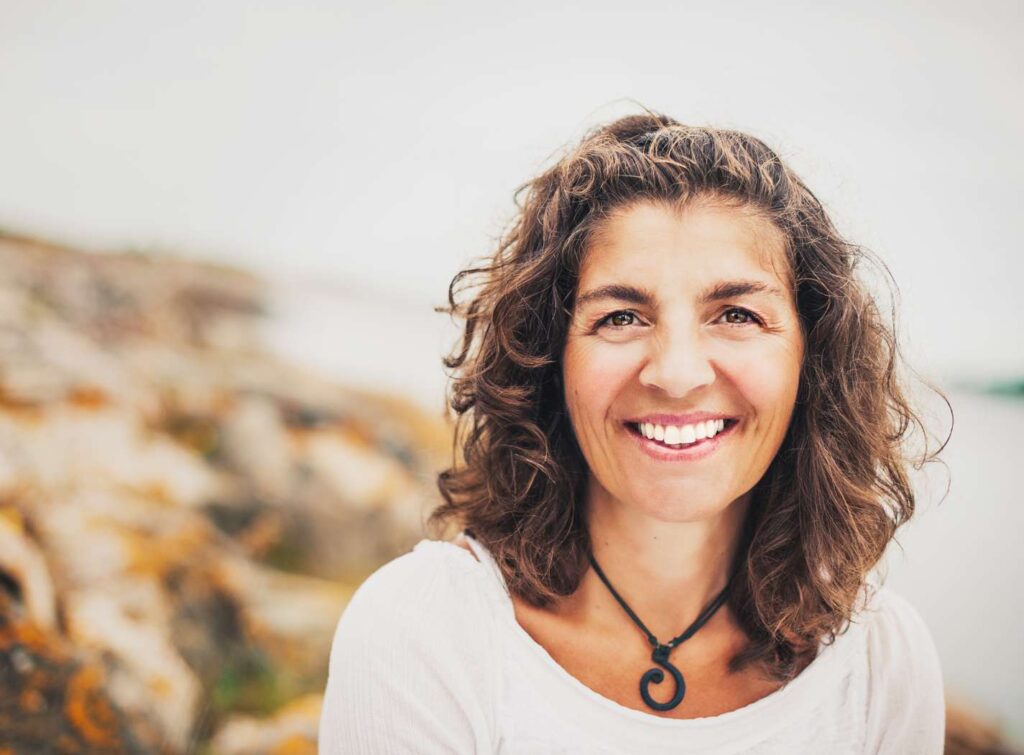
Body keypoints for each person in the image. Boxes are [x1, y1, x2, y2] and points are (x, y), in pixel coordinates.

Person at [318, 112, 949, 754]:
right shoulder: (425, 630)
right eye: (620, 316)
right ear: (548, 358)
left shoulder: (880, 663)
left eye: (736, 314)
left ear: (812, 359)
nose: (676, 374)